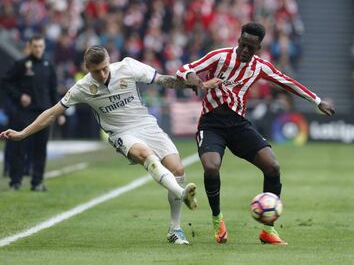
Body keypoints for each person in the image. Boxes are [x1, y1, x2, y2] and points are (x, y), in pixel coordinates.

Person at [0, 45, 220, 245]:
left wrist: (197, 83)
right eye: (96, 71)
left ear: (109, 60)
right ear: (87, 68)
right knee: (145, 154)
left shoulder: (128, 67)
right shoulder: (81, 88)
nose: (102, 74)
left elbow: (164, 80)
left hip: (147, 124)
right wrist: (22, 133)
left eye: (105, 68)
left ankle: (175, 229)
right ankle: (182, 194)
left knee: (178, 169)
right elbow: (51, 113)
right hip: (120, 133)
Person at [176, 22, 335, 245]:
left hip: (239, 125)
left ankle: (268, 230)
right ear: (238, 40)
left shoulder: (260, 67)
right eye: (242, 44)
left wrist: (317, 101)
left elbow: (287, 82)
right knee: (211, 167)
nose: (244, 50)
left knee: (273, 167)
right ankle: (217, 220)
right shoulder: (220, 56)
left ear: (258, 47)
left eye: (250, 47)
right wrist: (192, 77)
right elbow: (184, 68)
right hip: (211, 125)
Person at [1, 34, 65, 191]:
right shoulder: (22, 64)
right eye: (35, 46)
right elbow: (6, 81)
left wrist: (60, 113)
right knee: (19, 147)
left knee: (41, 149)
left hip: (44, 113)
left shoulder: (48, 65)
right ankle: (15, 181)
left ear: (44, 47)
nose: (38, 49)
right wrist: (19, 96)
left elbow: (53, 91)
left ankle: (36, 182)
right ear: (30, 47)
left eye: (40, 46)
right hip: (25, 113)